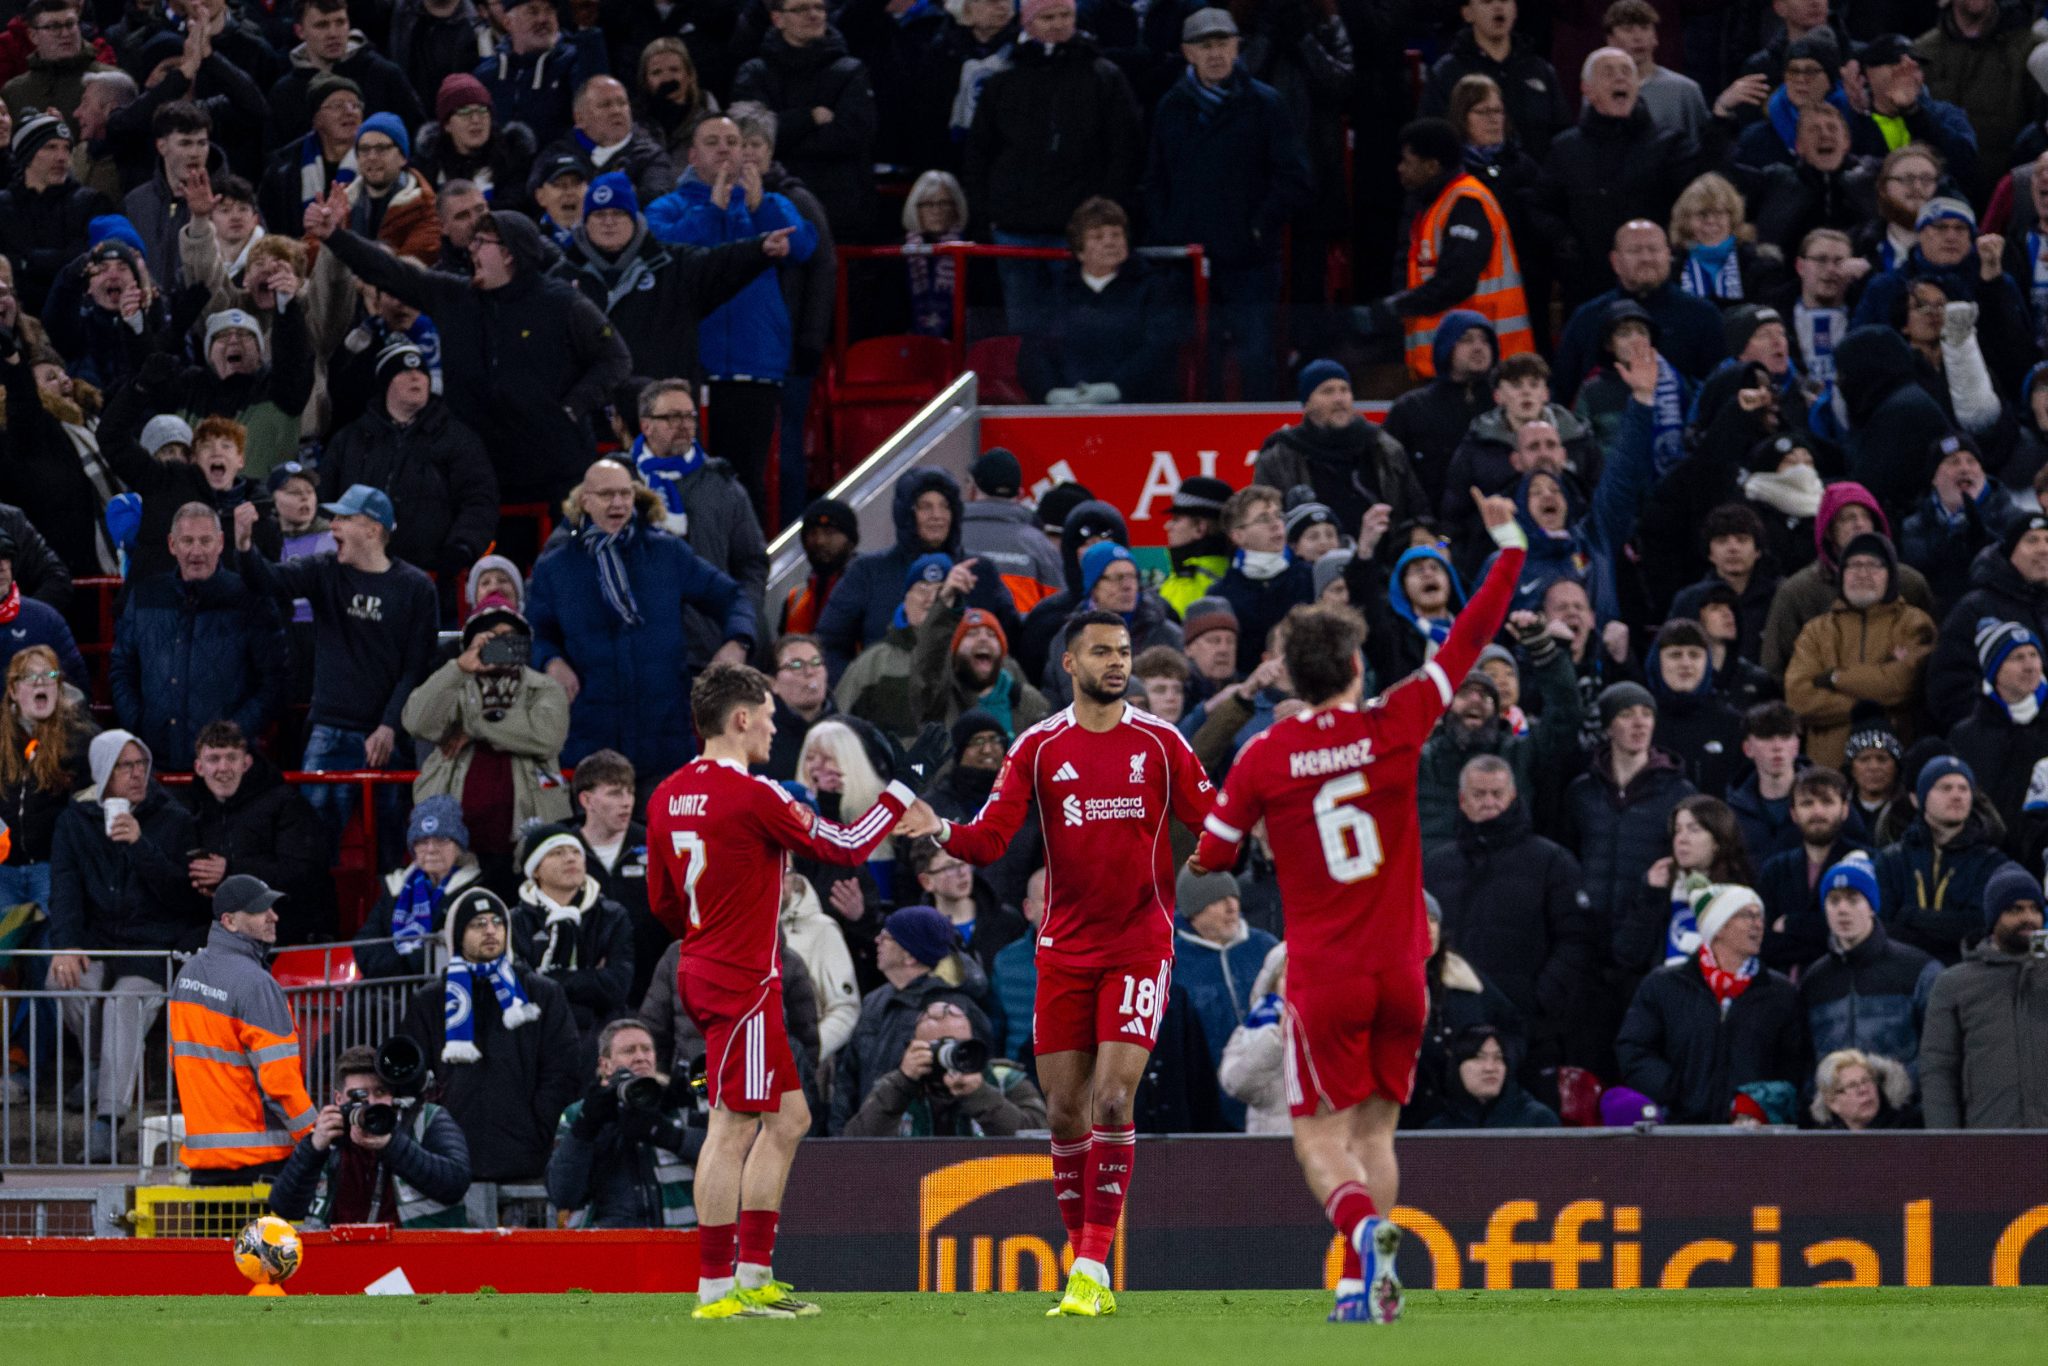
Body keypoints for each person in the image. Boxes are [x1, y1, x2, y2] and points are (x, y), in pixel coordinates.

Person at [1186, 488, 1524, 1320]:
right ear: (1357, 667)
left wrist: (1264, 829)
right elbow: (1473, 635)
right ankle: (1354, 1282)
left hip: (1324, 975)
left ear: (1291, 677)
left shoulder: (1266, 755)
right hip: (1405, 970)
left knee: (1318, 1141)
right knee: (1376, 1136)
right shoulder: (1399, 719)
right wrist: (1508, 541)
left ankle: (1361, 1233)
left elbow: (1215, 854)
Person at [896, 597, 1215, 1318]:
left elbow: (1214, 819)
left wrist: (1235, 844)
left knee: (1111, 1097)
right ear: (1070, 663)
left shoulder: (1162, 743)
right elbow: (990, 839)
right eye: (1102, 653)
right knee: (1065, 1112)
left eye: (1124, 654)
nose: (1117, 665)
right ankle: (1082, 1267)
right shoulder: (1039, 746)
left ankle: (1094, 1263)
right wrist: (940, 825)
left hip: (1139, 945)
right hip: (1064, 951)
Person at [648, 663, 929, 1319]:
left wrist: (711, 930)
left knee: (789, 1118)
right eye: (769, 717)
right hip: (742, 975)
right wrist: (903, 787)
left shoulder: (666, 794)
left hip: (707, 963)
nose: (776, 729)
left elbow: (663, 900)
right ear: (741, 718)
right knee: (731, 1123)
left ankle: (753, 1275)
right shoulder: (755, 796)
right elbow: (851, 844)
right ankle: (719, 1290)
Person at [306, 189, 635, 505]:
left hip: (556, 472)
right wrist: (335, 236)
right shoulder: (454, 297)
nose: (471, 250)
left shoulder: (563, 304)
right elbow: (391, 272)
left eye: (481, 243)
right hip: (480, 473)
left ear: (508, 252)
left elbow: (616, 359)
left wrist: (572, 408)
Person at [527, 458, 755, 777]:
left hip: (665, 739)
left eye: (625, 494)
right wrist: (551, 661)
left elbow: (732, 598)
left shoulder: (667, 554)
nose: (618, 503)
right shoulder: (555, 568)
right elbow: (535, 632)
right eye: (607, 495)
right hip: (591, 741)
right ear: (584, 501)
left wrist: (737, 643)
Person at [238, 484, 437, 846]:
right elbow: (268, 581)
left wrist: (389, 726)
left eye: (344, 518)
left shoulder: (416, 588)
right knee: (309, 848)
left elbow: (417, 667)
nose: (332, 527)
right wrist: (244, 546)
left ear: (373, 530)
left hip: (388, 739)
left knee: (390, 852)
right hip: (329, 730)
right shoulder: (324, 570)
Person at [641, 114, 814, 517]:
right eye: (714, 141)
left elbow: (803, 246)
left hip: (754, 364)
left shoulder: (772, 203)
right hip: (692, 366)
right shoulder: (669, 207)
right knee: (687, 478)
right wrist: (712, 212)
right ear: (692, 155)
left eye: (733, 142)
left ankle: (747, 569)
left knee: (747, 480)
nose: (725, 149)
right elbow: (662, 255)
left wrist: (761, 207)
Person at [48, 730, 204, 1161]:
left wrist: (141, 845)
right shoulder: (74, 821)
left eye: (140, 765)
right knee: (65, 979)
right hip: (97, 941)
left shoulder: (172, 818)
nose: (136, 775)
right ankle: (100, 1067)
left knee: (124, 1001)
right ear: (103, 773)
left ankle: (107, 1120)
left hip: (152, 946)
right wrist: (66, 945)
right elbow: (64, 891)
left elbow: (184, 899)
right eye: (124, 766)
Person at [1142, 8, 1310, 399]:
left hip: (1249, 261)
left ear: (1237, 47)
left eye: (1223, 43)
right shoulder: (1170, 107)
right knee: (1194, 356)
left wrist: (1258, 226)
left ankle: (1258, 443)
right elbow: (1154, 179)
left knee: (1255, 357)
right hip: (1188, 260)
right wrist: (1168, 231)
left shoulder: (1266, 105)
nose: (1215, 53)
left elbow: (1296, 179)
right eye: (1205, 45)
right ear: (1188, 52)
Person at [962, 0, 1141, 336]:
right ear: (1028, 23)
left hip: (1078, 229)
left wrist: (1104, 211)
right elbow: (979, 152)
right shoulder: (1003, 77)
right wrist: (985, 212)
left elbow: (1124, 149)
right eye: (1048, 17)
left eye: (1065, 15)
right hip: (1013, 228)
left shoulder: (1103, 75)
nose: (1059, 24)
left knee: (1081, 329)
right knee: (1025, 332)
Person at [1424, 755, 1597, 1074]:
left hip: (1529, 1032)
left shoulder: (1552, 861)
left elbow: (1575, 940)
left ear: (1513, 797)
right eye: (1479, 794)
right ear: (1463, 800)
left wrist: (1539, 1001)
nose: (1489, 802)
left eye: (1497, 794)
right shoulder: (1435, 866)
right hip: (1449, 1025)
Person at [398, 885, 582, 1180]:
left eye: (497, 922)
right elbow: (413, 1076)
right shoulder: (430, 1001)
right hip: (450, 1155)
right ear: (457, 934)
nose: (490, 930)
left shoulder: (541, 993)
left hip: (527, 1151)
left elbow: (563, 1067)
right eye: (477, 924)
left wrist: (540, 1124)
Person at [402, 593, 571, 878]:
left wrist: (473, 727)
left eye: (509, 637)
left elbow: (546, 737)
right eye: (490, 637)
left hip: (525, 840)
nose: (500, 644)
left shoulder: (543, 688)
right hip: (457, 846)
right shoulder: (453, 684)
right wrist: (457, 669)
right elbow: (416, 722)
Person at [108, 501, 286, 772]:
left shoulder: (250, 598)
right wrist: (139, 722)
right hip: (157, 762)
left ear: (220, 543)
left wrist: (232, 735)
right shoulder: (145, 596)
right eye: (187, 541)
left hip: (226, 767)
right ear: (172, 544)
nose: (196, 552)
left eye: (205, 541)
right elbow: (122, 668)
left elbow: (274, 679)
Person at [167, 875, 319, 1183]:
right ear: (230, 921)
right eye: (261, 910)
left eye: (273, 908)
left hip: (205, 1163)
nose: (273, 916)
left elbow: (176, 1059)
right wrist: (316, 1140)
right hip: (260, 1164)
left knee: (214, 1234)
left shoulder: (188, 974)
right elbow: (281, 1083)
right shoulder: (257, 983)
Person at [1614, 881, 1806, 1124]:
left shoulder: (1780, 993)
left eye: (1760, 916)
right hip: (1680, 1131)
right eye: (1747, 915)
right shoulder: (1664, 985)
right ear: (1719, 927)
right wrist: (1671, 1090)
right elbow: (1634, 1047)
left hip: (1751, 1135)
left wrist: (1761, 1104)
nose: (1758, 924)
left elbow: (1793, 1065)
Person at [1359, 117, 1532, 380]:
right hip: (1458, 365)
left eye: (1407, 161)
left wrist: (1396, 307)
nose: (1400, 169)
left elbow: (1457, 281)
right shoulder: (1436, 205)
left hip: (1488, 365)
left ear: (1431, 166)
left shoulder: (1466, 203)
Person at [319, 339, 498, 588]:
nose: (416, 377)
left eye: (421, 372)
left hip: (432, 577)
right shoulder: (350, 440)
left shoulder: (458, 438)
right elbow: (324, 499)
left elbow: (479, 499)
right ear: (385, 383)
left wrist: (462, 547)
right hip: (357, 575)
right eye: (404, 371)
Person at [621, 380, 770, 669]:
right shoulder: (615, 483)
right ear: (646, 425)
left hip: (710, 650)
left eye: (689, 416)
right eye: (672, 417)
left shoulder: (723, 485)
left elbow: (752, 566)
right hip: (636, 650)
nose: (684, 425)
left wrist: (738, 634)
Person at [268, 1042, 473, 1227]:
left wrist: (391, 1145)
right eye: (359, 1095)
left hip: (414, 1257)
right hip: (344, 1258)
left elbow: (456, 1184)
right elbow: (285, 1208)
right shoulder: (329, 1137)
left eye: (380, 1092)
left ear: (393, 1096)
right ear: (338, 1099)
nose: (371, 1103)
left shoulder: (425, 1119)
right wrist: (312, 1148)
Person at [730, 0, 876, 241]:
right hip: (771, 200)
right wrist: (808, 118)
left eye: (819, 8)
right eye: (801, 9)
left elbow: (853, 135)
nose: (814, 15)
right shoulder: (754, 72)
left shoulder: (851, 71)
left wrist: (782, 137)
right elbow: (750, 135)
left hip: (842, 207)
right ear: (777, 19)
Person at [1016, 195, 1179, 406]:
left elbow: (1160, 349)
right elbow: (1033, 353)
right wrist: (1051, 393)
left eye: (1116, 234)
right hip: (1067, 407)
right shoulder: (1057, 291)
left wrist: (1117, 388)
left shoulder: (1153, 288)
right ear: (1080, 250)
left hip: (1135, 406)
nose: (1109, 242)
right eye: (1098, 237)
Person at [1919, 864, 2048, 1128]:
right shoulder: (1953, 983)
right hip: (1988, 1142)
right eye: (2014, 909)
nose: (2029, 918)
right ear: (1992, 919)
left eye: (2035, 909)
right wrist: (1946, 1144)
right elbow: (1938, 1071)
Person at [183, 721, 332, 946]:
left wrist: (231, 872)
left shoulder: (285, 803)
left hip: (284, 925)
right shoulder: (191, 813)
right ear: (199, 767)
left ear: (246, 763)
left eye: (231, 758)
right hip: (221, 928)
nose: (223, 768)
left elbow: (303, 875)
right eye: (214, 759)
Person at [547, 1018, 701, 1227]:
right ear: (605, 1064)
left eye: (647, 1050)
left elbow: (725, 1160)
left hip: (679, 1241)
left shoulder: (678, 1103)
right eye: (629, 1051)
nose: (640, 1057)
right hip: (608, 1247)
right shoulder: (580, 1113)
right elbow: (563, 1194)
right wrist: (586, 1128)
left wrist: (667, 1134)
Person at [1799, 853, 1940, 1070]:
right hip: (1834, 1104)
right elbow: (1804, 1059)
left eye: (1853, 899)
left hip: (1905, 1101)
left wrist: (1899, 1085)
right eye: (1834, 900)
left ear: (1872, 906)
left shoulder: (1918, 970)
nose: (1842, 909)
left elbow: (1939, 1051)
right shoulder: (1814, 980)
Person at [1875, 755, 2016, 966]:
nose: (1957, 795)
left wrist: (1909, 915)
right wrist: (1948, 930)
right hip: (1899, 977)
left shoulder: (1991, 863)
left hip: (1967, 975)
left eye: (1963, 788)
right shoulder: (1891, 860)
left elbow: (1978, 927)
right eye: (1945, 788)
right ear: (1921, 798)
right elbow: (1882, 927)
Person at [511, 821, 634, 1058]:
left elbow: (617, 986)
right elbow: (520, 988)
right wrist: (590, 977)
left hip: (601, 1035)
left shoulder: (612, 915)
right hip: (536, 1037)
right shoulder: (515, 921)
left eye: (576, 852)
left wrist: (549, 978)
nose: (570, 859)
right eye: (557, 853)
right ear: (535, 869)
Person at [1170, 863, 1277, 1131]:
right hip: (1205, 1103)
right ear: (1194, 911)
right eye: (1218, 900)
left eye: (1234, 897)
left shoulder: (1265, 948)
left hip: (1268, 1096)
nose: (1232, 907)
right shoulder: (1173, 961)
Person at [0, 645, 93, 920]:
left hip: (53, 868)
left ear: (59, 686)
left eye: (49, 674)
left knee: (51, 950)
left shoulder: (80, 740)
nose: (40, 681)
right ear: (13, 691)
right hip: (3, 869)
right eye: (29, 676)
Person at [1420, 0, 1568, 162]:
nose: (1498, 7)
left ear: (1515, 10)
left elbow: (1561, 134)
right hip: (1472, 182)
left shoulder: (1540, 70)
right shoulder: (1446, 72)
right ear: (1467, 13)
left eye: (1505, 1)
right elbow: (1431, 139)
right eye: (1487, 1)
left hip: (1536, 182)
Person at [354, 795, 484, 979]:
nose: (431, 849)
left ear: (459, 846)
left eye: (442, 839)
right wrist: (401, 970)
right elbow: (365, 942)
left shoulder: (476, 892)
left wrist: (402, 968)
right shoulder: (396, 887)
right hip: (390, 995)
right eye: (422, 841)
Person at [1756, 767, 1867, 971]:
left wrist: (1792, 924)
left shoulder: (1864, 863)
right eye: (1807, 803)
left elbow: (1863, 936)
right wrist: (1822, 935)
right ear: (1794, 813)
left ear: (1844, 810)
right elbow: (1763, 942)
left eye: (1826, 802)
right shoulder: (1775, 869)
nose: (1817, 812)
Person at [473, 0, 607, 147]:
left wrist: (587, 31)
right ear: (508, 22)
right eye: (533, 11)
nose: (543, 19)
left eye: (549, 11)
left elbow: (596, 104)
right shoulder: (485, 76)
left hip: (562, 165)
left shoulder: (573, 62)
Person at [532, 74, 675, 204]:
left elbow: (657, 200)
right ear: (580, 118)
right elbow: (534, 194)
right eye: (605, 105)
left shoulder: (651, 156)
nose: (616, 111)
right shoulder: (557, 154)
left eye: (622, 103)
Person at [958, 448, 1063, 615]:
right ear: (1020, 494)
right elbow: (1058, 613)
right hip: (1022, 640)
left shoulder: (949, 537)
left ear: (972, 489)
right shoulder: (1040, 546)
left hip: (959, 639)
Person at [1423, 1024, 1560, 1129]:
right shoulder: (1439, 1128)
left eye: (1498, 1058)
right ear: (1458, 1066)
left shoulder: (1538, 1121)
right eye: (1479, 1058)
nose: (1490, 1068)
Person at [780, 496, 858, 636]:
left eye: (829, 533)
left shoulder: (868, 592)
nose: (820, 541)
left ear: (850, 540)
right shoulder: (795, 599)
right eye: (812, 533)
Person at [1810, 1047, 1919, 1130]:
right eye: (1852, 1085)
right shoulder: (1821, 1142)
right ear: (1833, 1103)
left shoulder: (1907, 1128)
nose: (1863, 1090)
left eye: (1866, 1081)